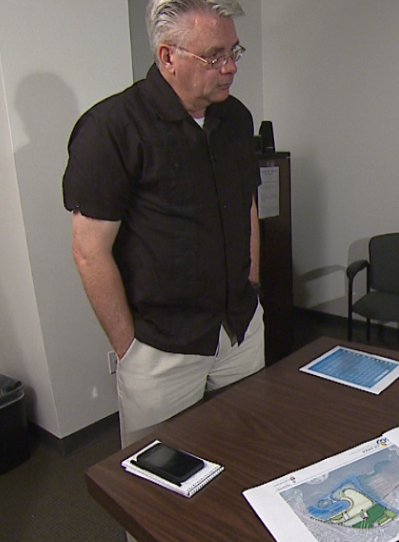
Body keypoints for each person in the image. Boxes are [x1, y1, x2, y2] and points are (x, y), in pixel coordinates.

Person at [63, 0, 264, 448]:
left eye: (235, 51)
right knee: (157, 484)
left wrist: (251, 283)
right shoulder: (111, 129)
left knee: (246, 454)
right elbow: (88, 251)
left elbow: (246, 206)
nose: (230, 66)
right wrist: (128, 350)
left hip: (239, 328)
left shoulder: (236, 118)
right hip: (161, 348)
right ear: (167, 56)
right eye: (214, 56)